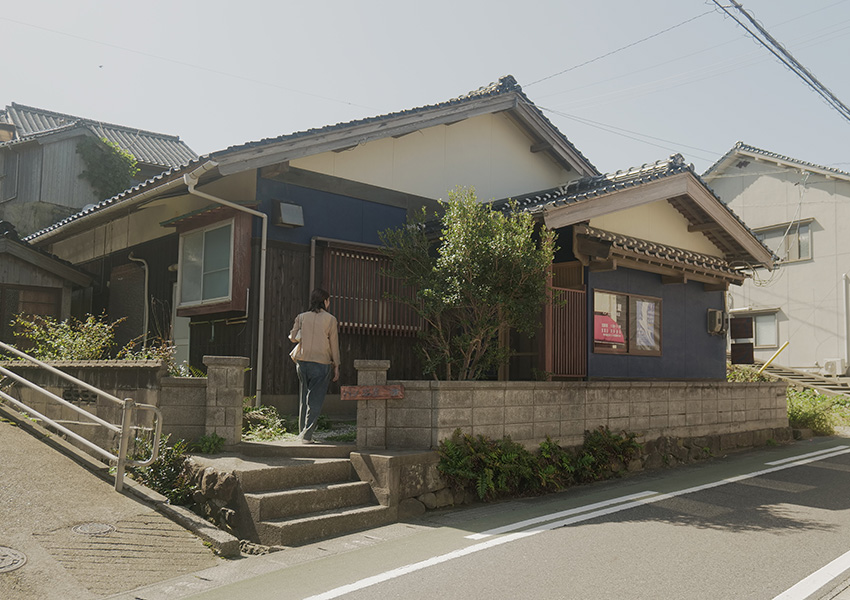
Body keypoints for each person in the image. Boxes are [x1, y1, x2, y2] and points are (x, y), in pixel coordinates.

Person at [289, 288, 340, 443]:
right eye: (328, 300)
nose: (329, 303)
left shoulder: (301, 317)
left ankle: (302, 433)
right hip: (321, 362)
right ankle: (307, 435)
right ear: (324, 301)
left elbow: (292, 337)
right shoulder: (330, 319)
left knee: (304, 397)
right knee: (315, 399)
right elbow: (334, 344)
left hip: (302, 361)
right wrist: (337, 365)